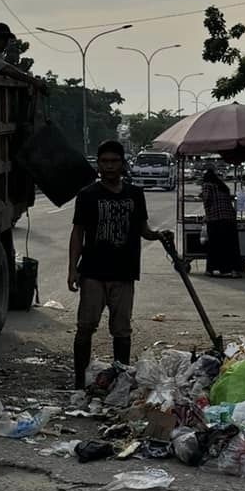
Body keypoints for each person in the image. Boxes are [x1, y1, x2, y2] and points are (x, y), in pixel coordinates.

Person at [67, 139, 169, 388]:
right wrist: (72, 269)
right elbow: (77, 233)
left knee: (122, 330)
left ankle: (120, 380)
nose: (109, 166)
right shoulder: (88, 195)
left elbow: (143, 229)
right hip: (92, 272)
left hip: (124, 273)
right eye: (105, 162)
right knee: (85, 327)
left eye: (114, 161)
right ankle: (79, 381)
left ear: (123, 164)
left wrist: (158, 235)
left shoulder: (135, 194)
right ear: (98, 165)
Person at [199, 166, 245, 276]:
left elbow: (207, 200)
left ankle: (212, 269)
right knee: (229, 245)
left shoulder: (207, 185)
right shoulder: (222, 186)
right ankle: (232, 270)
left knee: (215, 245)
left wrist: (207, 215)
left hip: (216, 219)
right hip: (229, 218)